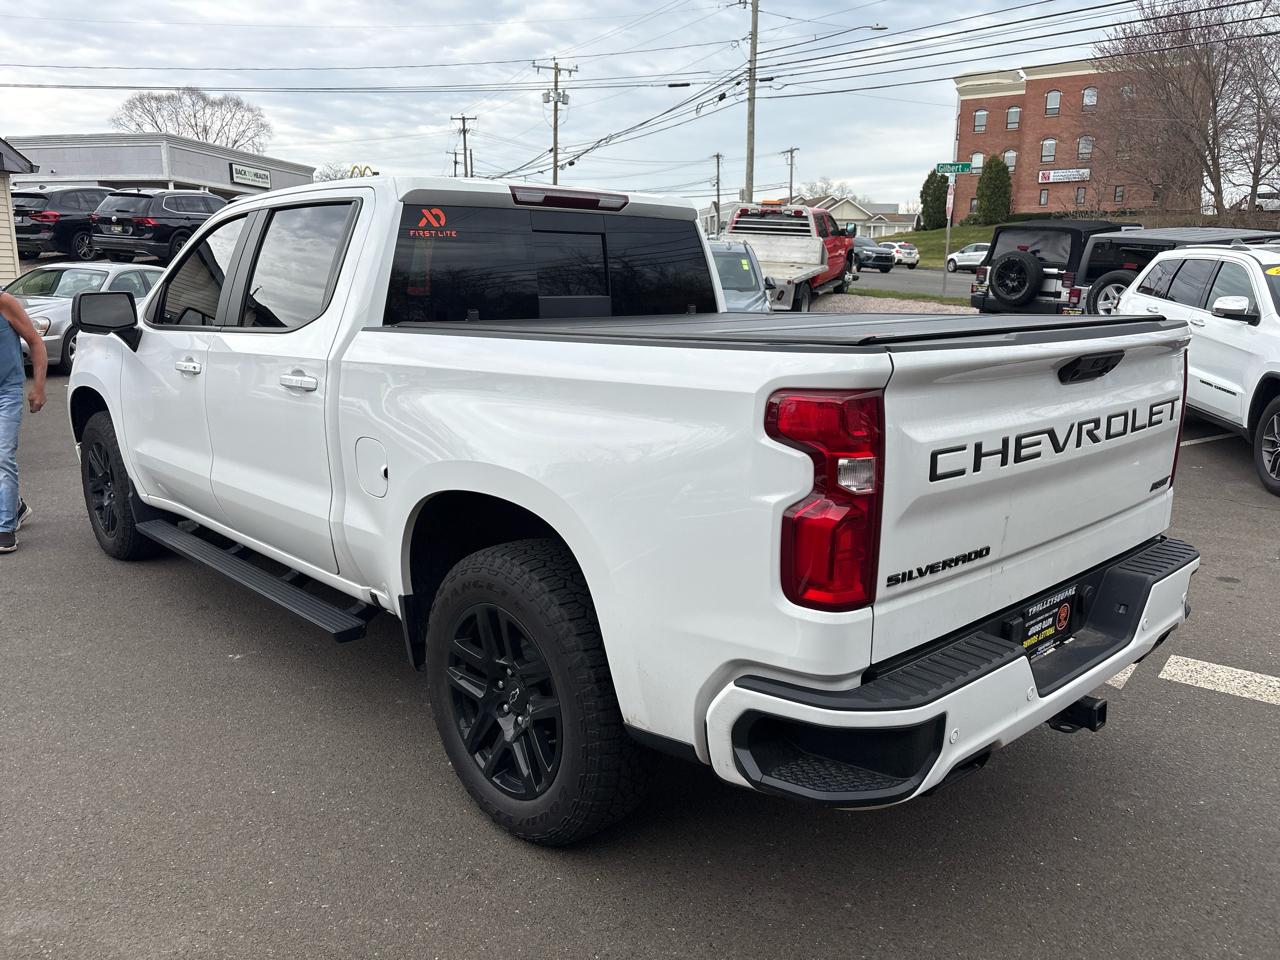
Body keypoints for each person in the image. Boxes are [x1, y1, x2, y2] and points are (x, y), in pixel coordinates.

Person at [0, 289, 47, 553]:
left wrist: (39, 387)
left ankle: (5, 527)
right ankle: (15, 506)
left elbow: (35, 342)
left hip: (6, 393)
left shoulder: (4, 303)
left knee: (4, 456)